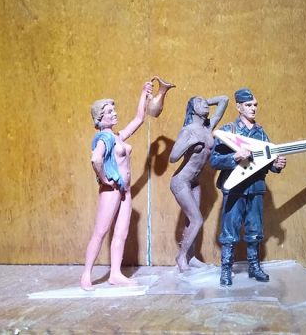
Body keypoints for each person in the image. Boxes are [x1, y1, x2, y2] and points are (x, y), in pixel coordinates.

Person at [210, 88, 287, 286]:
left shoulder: (261, 133)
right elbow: (214, 160)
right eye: (248, 105)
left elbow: (267, 160)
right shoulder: (229, 131)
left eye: (255, 105)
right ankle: (226, 269)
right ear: (239, 107)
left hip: (256, 187)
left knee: (255, 229)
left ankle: (254, 266)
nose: (253, 108)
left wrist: (276, 165)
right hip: (235, 188)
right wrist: (234, 157)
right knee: (230, 230)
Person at [80, 81, 152, 291]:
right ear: (100, 117)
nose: (114, 114)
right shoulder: (104, 138)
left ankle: (115, 273)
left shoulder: (117, 136)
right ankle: (86, 275)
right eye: (109, 112)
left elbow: (138, 119)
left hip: (124, 191)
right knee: (101, 232)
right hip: (111, 191)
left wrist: (144, 94)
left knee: (121, 233)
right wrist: (104, 179)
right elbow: (96, 159)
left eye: (114, 110)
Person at [169, 95, 230, 272]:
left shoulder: (207, 127)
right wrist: (189, 143)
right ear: (192, 109)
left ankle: (191, 257)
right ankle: (181, 257)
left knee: (191, 221)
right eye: (199, 102)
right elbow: (173, 157)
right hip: (181, 181)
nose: (205, 104)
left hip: (195, 182)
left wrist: (204, 103)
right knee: (196, 220)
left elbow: (224, 100)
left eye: (205, 102)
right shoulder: (188, 131)